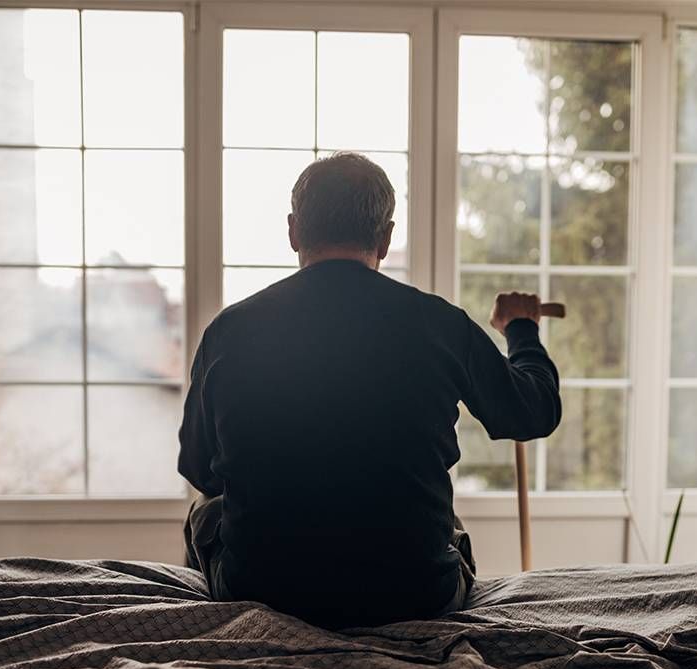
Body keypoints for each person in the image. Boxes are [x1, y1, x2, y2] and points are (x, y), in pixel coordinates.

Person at [179, 152, 560, 628]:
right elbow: (533, 412)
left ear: (294, 231)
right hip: (416, 593)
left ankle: (229, 633)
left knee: (205, 511)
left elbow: (199, 468)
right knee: (447, 527)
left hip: (266, 590)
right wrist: (522, 329)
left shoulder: (229, 330)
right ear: (386, 236)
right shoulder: (440, 324)